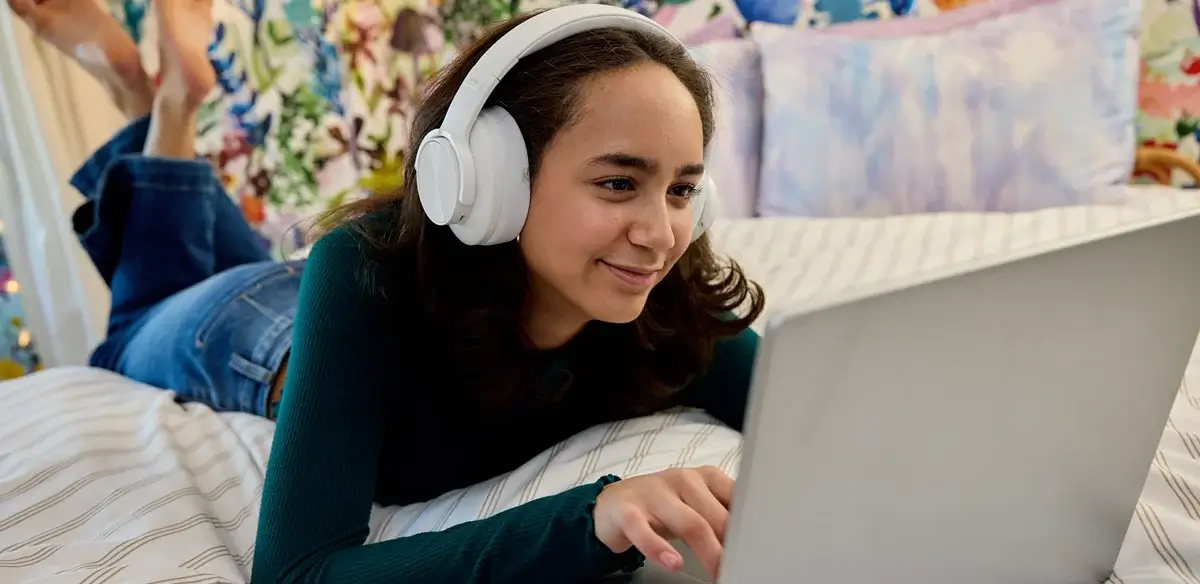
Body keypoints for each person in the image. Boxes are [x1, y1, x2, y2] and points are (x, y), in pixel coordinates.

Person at [6, 0, 766, 581]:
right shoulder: (362, 268)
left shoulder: (664, 303)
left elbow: (801, 406)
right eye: (618, 182)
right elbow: (299, 573)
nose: (661, 234)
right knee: (127, 335)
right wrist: (591, 515)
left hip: (322, 300)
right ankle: (161, 107)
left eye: (680, 191)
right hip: (252, 337)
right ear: (488, 179)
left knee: (185, 263)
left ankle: (157, 110)